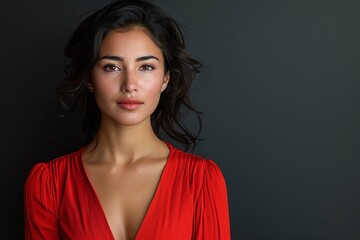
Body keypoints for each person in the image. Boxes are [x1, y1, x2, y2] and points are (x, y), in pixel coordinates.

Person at [24, 0, 231, 239]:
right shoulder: (49, 184)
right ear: (89, 78)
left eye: (146, 67)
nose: (130, 85)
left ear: (165, 79)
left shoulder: (202, 181)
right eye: (112, 67)